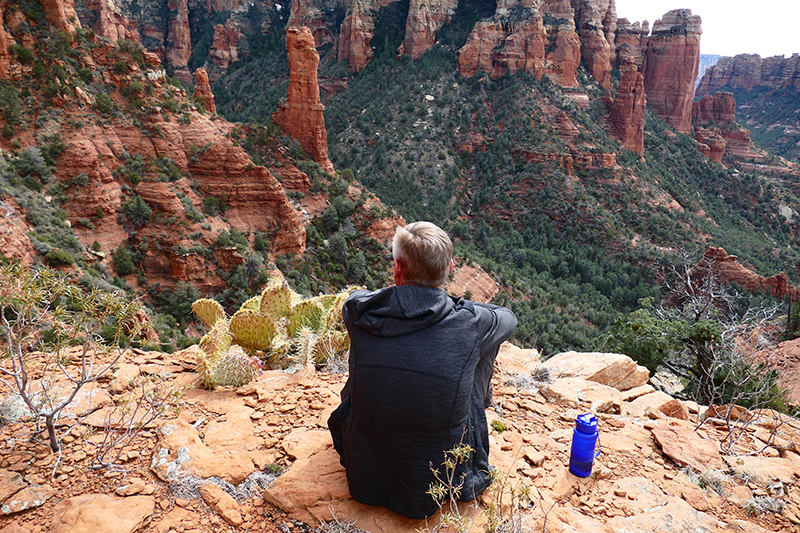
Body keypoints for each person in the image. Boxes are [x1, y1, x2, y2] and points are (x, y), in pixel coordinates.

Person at [327, 221, 517, 519]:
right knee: (474, 355)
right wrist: (457, 306)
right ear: (450, 268)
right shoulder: (471, 322)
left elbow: (356, 296)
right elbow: (507, 318)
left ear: (397, 268)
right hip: (437, 480)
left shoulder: (358, 310)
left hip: (363, 474)